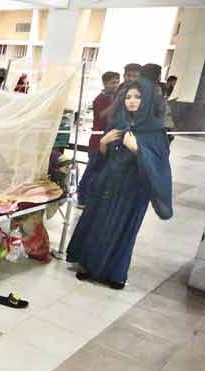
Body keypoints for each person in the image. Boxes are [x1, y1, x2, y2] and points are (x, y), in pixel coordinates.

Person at [67, 79, 173, 289]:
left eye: (138, 97)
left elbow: (160, 166)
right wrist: (104, 143)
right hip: (108, 185)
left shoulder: (155, 130)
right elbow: (105, 159)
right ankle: (89, 267)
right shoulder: (118, 123)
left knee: (123, 229)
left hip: (133, 191)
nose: (132, 101)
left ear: (148, 100)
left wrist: (137, 150)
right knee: (99, 225)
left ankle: (115, 274)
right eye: (128, 97)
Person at [77, 70, 121, 206]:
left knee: (99, 172)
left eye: (117, 82)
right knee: (92, 170)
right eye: (112, 82)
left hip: (107, 141)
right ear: (105, 83)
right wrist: (117, 103)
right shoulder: (100, 99)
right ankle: (82, 197)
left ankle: (91, 197)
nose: (115, 85)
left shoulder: (113, 98)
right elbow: (102, 116)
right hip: (97, 141)